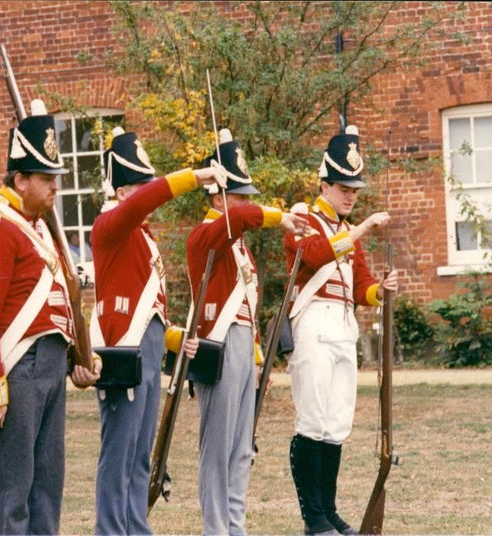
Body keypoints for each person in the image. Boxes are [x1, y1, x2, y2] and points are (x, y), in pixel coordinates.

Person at [0, 99, 100, 535]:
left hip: (49, 364)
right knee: (13, 493)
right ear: (20, 179)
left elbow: (56, 303)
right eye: (46, 178)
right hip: (17, 369)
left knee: (46, 488)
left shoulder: (36, 227)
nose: (56, 186)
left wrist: (77, 357)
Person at [89, 126, 225, 536]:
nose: (147, 195)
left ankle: (136, 526)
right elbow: (146, 201)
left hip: (145, 350)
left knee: (139, 455)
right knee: (119, 453)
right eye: (139, 186)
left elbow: (150, 311)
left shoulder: (142, 237)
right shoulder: (110, 225)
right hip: (122, 351)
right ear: (121, 191)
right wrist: (195, 176)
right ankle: (111, 530)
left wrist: (175, 338)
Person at [186, 129, 308, 536]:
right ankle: (216, 528)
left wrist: (257, 359)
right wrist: (277, 217)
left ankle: (234, 526)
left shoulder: (238, 244)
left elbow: (249, 307)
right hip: (217, 345)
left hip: (241, 346)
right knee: (217, 449)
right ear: (218, 198)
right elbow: (239, 219)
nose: (245, 202)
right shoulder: (205, 235)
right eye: (238, 195)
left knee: (241, 448)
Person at [284, 125, 398, 536]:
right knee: (312, 421)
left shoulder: (347, 231)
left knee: (335, 424)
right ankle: (313, 516)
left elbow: (361, 283)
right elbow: (313, 255)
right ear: (324, 185)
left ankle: (328, 511)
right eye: (344, 188)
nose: (351, 196)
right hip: (313, 324)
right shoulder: (303, 217)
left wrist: (379, 291)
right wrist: (362, 228)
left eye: (354, 190)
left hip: (343, 328)